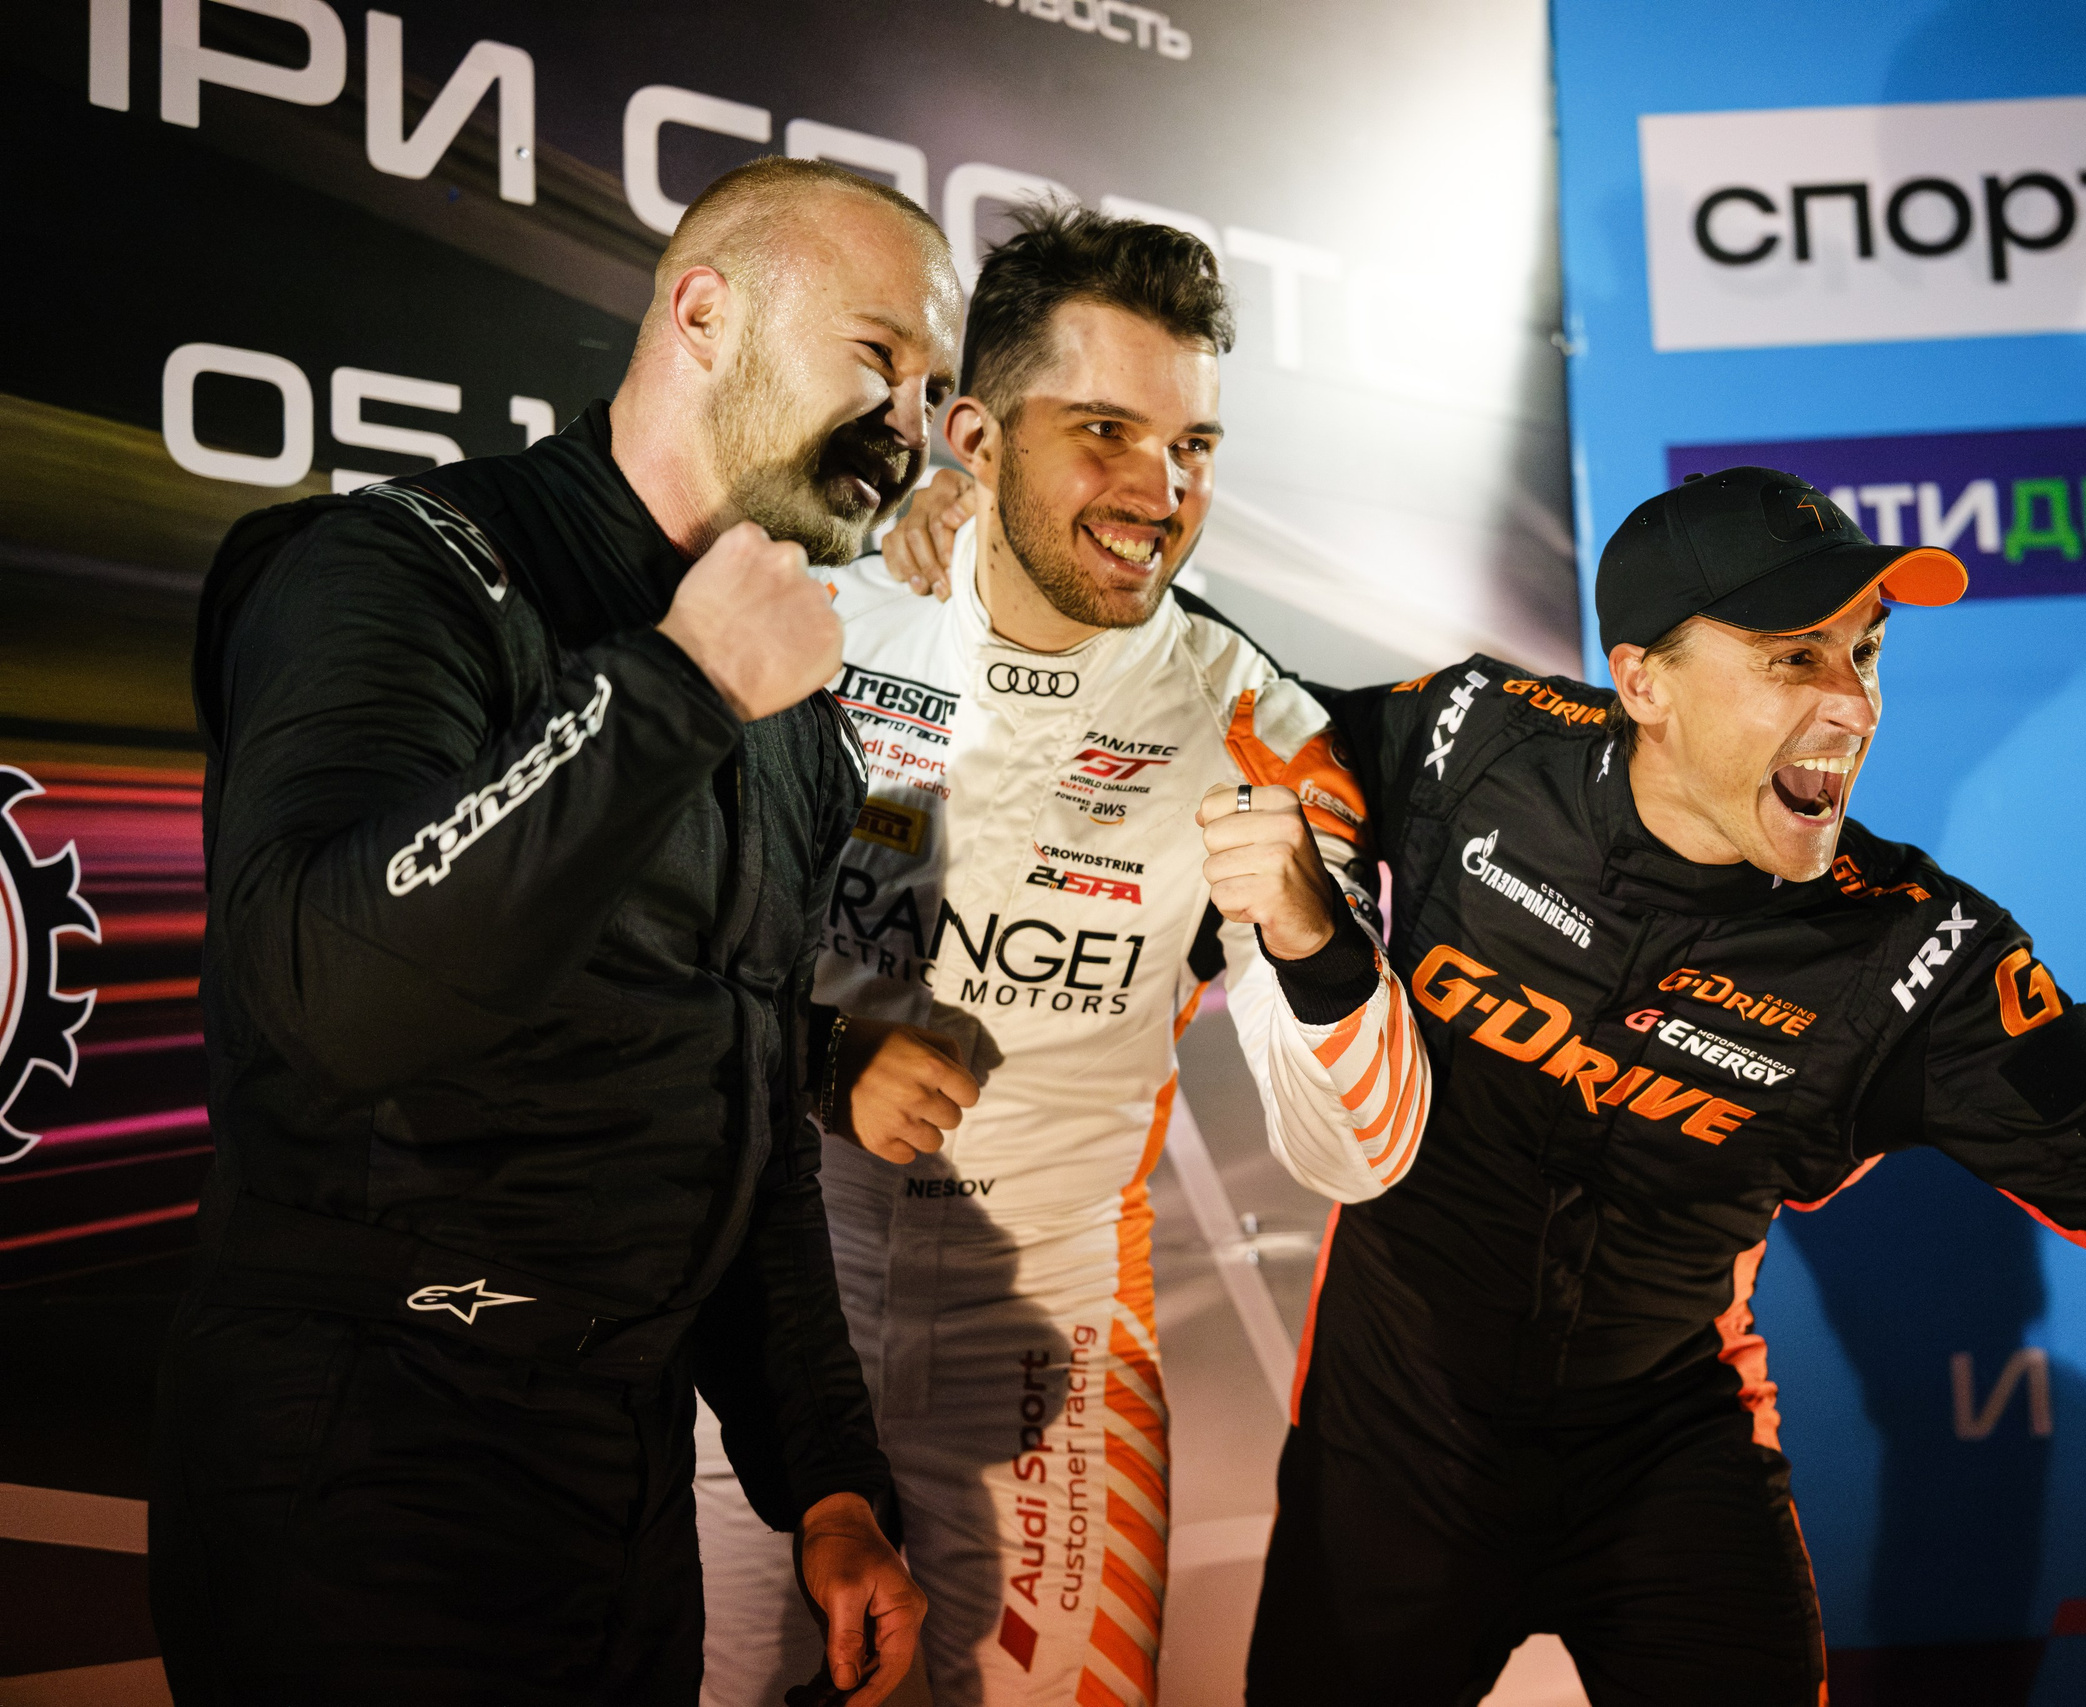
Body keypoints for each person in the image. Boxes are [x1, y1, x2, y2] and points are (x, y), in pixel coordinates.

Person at [1242, 469, 2086, 1704]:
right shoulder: (1470, 742)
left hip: (1666, 1462)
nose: (1854, 703)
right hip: (1392, 1443)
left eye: (1865, 652)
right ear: (1642, 682)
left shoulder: (1919, 960)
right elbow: (1208, 715)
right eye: (1792, 658)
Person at [155, 157, 960, 1706]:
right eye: (878, 357)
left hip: (621, 1476)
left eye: (932, 391)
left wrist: (829, 1482)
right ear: (705, 313)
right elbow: (329, 995)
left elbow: (739, 1124)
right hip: (362, 1465)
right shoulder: (401, 566)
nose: (910, 430)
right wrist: (674, 690)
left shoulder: (790, 714)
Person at [694, 205, 1427, 1707]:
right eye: (1105, 432)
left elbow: (1361, 1153)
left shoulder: (1259, 727)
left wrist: (1310, 935)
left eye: (1194, 446)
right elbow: (623, 973)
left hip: (1051, 1346)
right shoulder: (813, 627)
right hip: (762, 1303)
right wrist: (823, 1059)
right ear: (973, 435)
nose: (1160, 492)